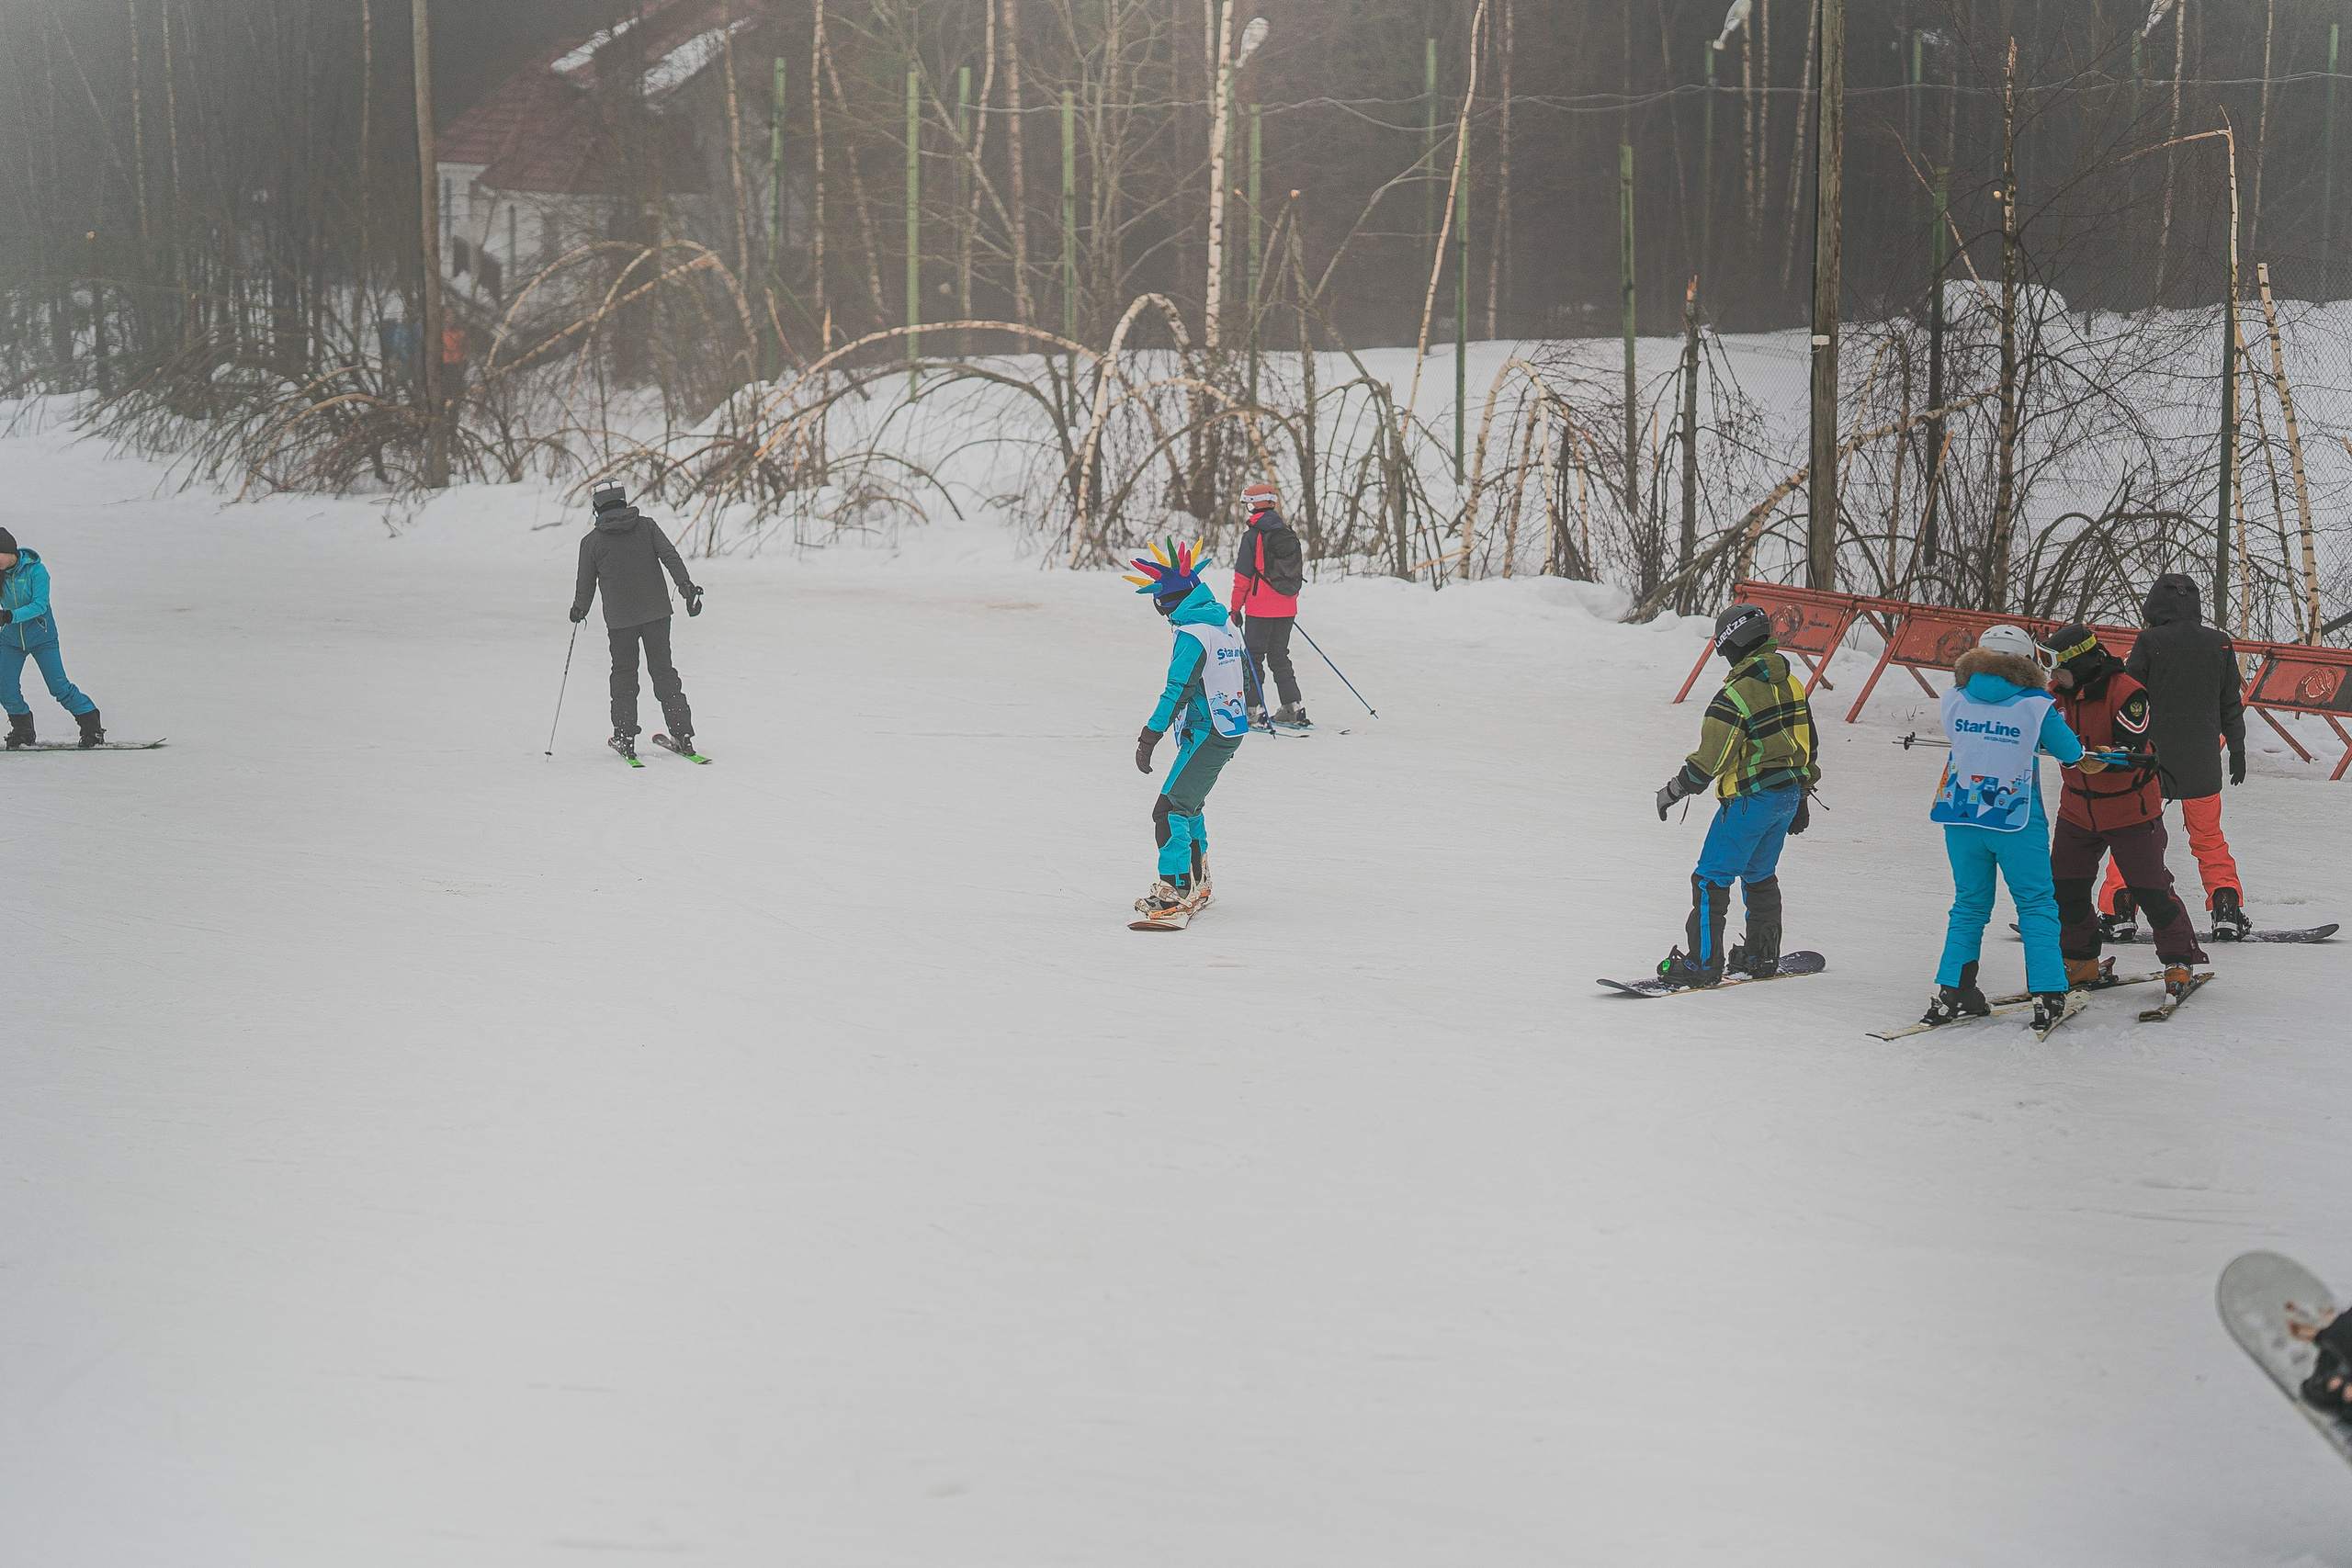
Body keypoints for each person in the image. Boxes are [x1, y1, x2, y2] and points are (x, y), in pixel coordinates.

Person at [1920, 626, 2102, 1032]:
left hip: (1960, 813)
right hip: (2014, 819)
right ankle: (2049, 993)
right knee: (2037, 904)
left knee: (1968, 904)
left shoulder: (1954, 698)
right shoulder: (2037, 704)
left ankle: (1953, 990)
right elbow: (2071, 752)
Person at [1652, 603, 1819, 987]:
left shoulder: (1735, 696)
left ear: (1734, 646)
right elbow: (1807, 743)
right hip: (1787, 796)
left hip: (1750, 800)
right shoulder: (1792, 684)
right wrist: (1803, 795)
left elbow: (1710, 759)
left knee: (1711, 878)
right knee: (1760, 875)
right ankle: (1762, 956)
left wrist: (1675, 790)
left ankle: (1702, 964)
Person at [2041, 623, 2208, 995]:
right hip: (2077, 812)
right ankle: (2080, 959)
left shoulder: (2128, 692)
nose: (2053, 675)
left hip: (2131, 813)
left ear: (2082, 661)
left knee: (2149, 890)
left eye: (2058, 666)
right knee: (2066, 889)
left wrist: (2106, 757)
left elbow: (2134, 743)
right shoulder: (2053, 696)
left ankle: (2179, 959)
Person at [2098, 572, 2252, 939]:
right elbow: (2231, 701)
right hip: (2202, 762)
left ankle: (2120, 910)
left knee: (2136, 837)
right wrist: (2238, 747)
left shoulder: (2149, 641)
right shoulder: (2220, 644)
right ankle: (2226, 908)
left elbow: (2128, 697)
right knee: (2209, 837)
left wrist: (2117, 748)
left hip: (2151, 763)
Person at [1125, 538, 1250, 919]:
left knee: (1169, 810)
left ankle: (1175, 889)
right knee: (1188, 806)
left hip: (1210, 731)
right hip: (1224, 727)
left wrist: (1151, 735)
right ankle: (1198, 879)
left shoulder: (1194, 633)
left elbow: (1177, 689)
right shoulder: (1222, 623)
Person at [570, 484, 704, 761]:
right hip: (657, 614)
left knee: (624, 675)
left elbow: (586, 584)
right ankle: (683, 733)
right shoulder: (647, 527)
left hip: (620, 622)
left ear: (597, 509)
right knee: (664, 671)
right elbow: (670, 557)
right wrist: (685, 585)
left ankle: (625, 735)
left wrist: (579, 609)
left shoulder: (591, 542)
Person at [0, 526, 104, 750]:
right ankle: (23, 730)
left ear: (9, 553)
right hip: (10, 641)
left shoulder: (36, 572)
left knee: (58, 687)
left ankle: (91, 725)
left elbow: (40, 606)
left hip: (42, 638)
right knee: (5, 690)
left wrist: (9, 615)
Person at [1227, 480, 1309, 728]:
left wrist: (1235, 608)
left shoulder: (1253, 536)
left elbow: (1242, 577)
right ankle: (1293, 708)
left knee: (1253, 658)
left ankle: (1253, 711)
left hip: (1260, 608)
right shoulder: (1287, 533)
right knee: (1279, 656)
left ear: (1254, 506)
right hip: (1287, 606)